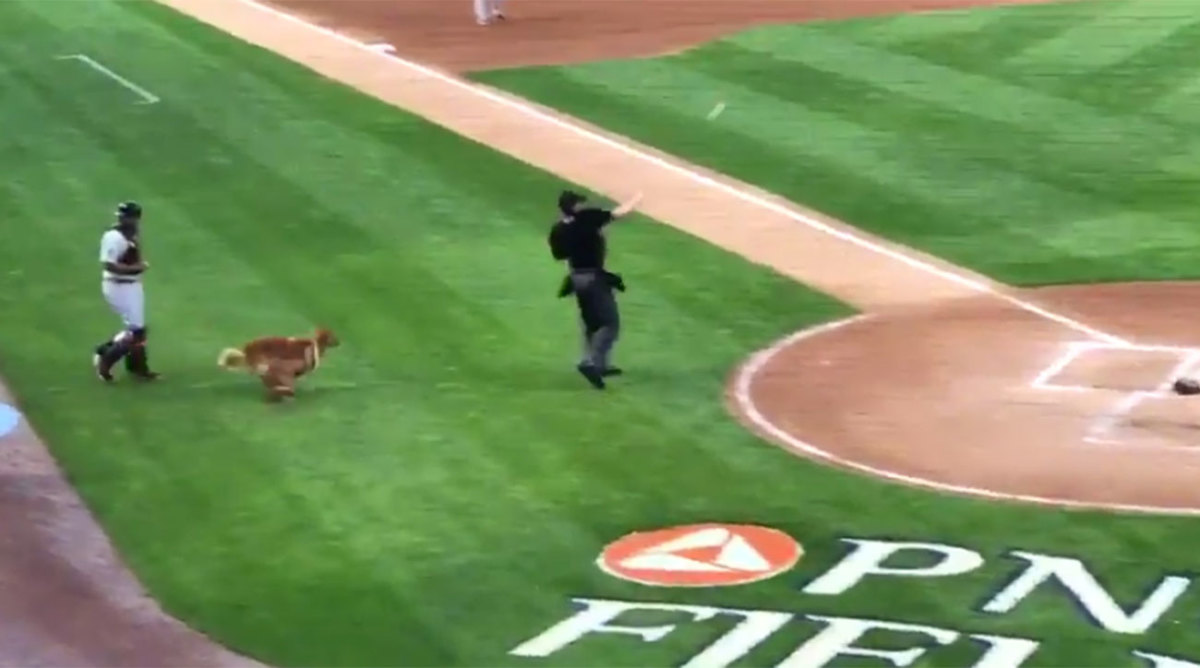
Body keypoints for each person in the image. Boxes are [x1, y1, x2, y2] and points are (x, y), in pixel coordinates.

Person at [548, 189, 642, 390]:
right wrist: (637, 199)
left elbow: (560, 256)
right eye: (580, 203)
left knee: (591, 322)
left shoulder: (557, 230)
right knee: (610, 323)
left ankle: (600, 365)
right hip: (593, 278)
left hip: (576, 278)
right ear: (574, 206)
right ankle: (590, 362)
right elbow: (619, 213)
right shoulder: (587, 219)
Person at [93, 201, 160, 382]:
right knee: (136, 331)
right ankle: (105, 360)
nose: (123, 219)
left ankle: (137, 368)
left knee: (137, 330)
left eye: (127, 216)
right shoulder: (114, 237)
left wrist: (136, 270)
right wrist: (135, 269)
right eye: (121, 216)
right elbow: (108, 264)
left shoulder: (130, 234)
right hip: (118, 286)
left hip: (131, 286)